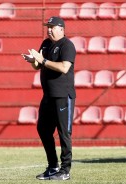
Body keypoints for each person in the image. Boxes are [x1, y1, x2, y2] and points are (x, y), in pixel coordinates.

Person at [22, 16, 76, 180]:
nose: (49, 29)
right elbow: (38, 65)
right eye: (48, 27)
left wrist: (42, 60)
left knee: (63, 133)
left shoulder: (67, 45)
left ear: (62, 29)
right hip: (48, 96)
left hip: (62, 96)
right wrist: (34, 61)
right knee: (43, 130)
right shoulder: (46, 43)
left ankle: (65, 170)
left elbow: (64, 67)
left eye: (52, 27)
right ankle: (53, 166)